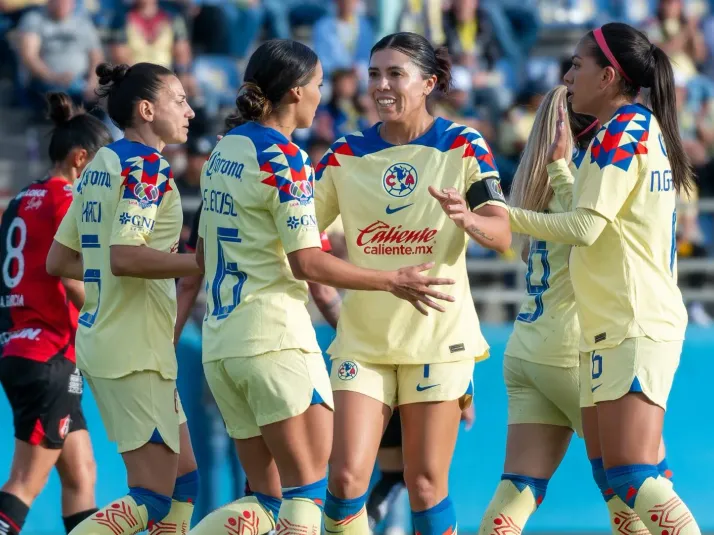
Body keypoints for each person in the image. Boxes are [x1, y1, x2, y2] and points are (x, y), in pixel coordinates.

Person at [188, 39, 454, 535]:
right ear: (293, 92)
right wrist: (391, 280)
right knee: (312, 496)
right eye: (317, 86)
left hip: (222, 344)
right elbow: (308, 263)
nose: (321, 95)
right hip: (274, 341)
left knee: (268, 504)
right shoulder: (285, 158)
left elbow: (202, 254)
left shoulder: (225, 150)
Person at [314, 32, 511, 535]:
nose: (381, 84)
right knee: (345, 478)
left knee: (425, 485)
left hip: (437, 339)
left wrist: (467, 219)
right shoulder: (343, 153)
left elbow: (502, 232)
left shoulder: (462, 143)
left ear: (429, 83)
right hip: (363, 340)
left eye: (395, 74)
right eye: (374, 73)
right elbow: (301, 236)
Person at [508, 22, 700, 535]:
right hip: (610, 327)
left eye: (576, 65)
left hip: (634, 323)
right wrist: (558, 172)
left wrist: (504, 216)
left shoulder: (623, 130)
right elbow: (594, 214)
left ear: (609, 75)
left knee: (635, 475)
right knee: (614, 477)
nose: (568, 75)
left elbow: (585, 228)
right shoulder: (626, 130)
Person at [46, 61, 202, 535]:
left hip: (119, 343)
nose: (191, 111)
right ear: (147, 109)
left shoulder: (102, 165)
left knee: (184, 484)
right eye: (179, 100)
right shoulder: (146, 167)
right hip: (132, 350)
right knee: (151, 498)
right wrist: (202, 263)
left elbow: (60, 260)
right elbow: (125, 257)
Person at [0, 93, 112, 535]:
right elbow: (70, 279)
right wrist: (108, 320)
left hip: (25, 349)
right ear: (81, 160)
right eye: (102, 171)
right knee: (27, 481)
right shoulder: (66, 199)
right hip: (49, 352)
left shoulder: (21, 200)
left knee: (81, 474)